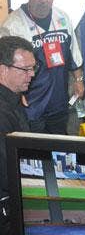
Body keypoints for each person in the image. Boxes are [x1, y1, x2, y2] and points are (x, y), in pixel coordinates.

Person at [1, 0, 85, 134]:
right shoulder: (13, 25)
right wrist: (16, 93)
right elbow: (4, 65)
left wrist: (79, 80)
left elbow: (74, 53)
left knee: (60, 144)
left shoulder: (62, 17)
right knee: (34, 146)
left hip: (58, 102)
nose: (43, 0)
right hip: (30, 105)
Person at [0, 36, 35, 235]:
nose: (32, 74)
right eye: (25, 69)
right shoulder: (3, 112)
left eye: (33, 68)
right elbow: (7, 172)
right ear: (2, 70)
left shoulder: (14, 99)